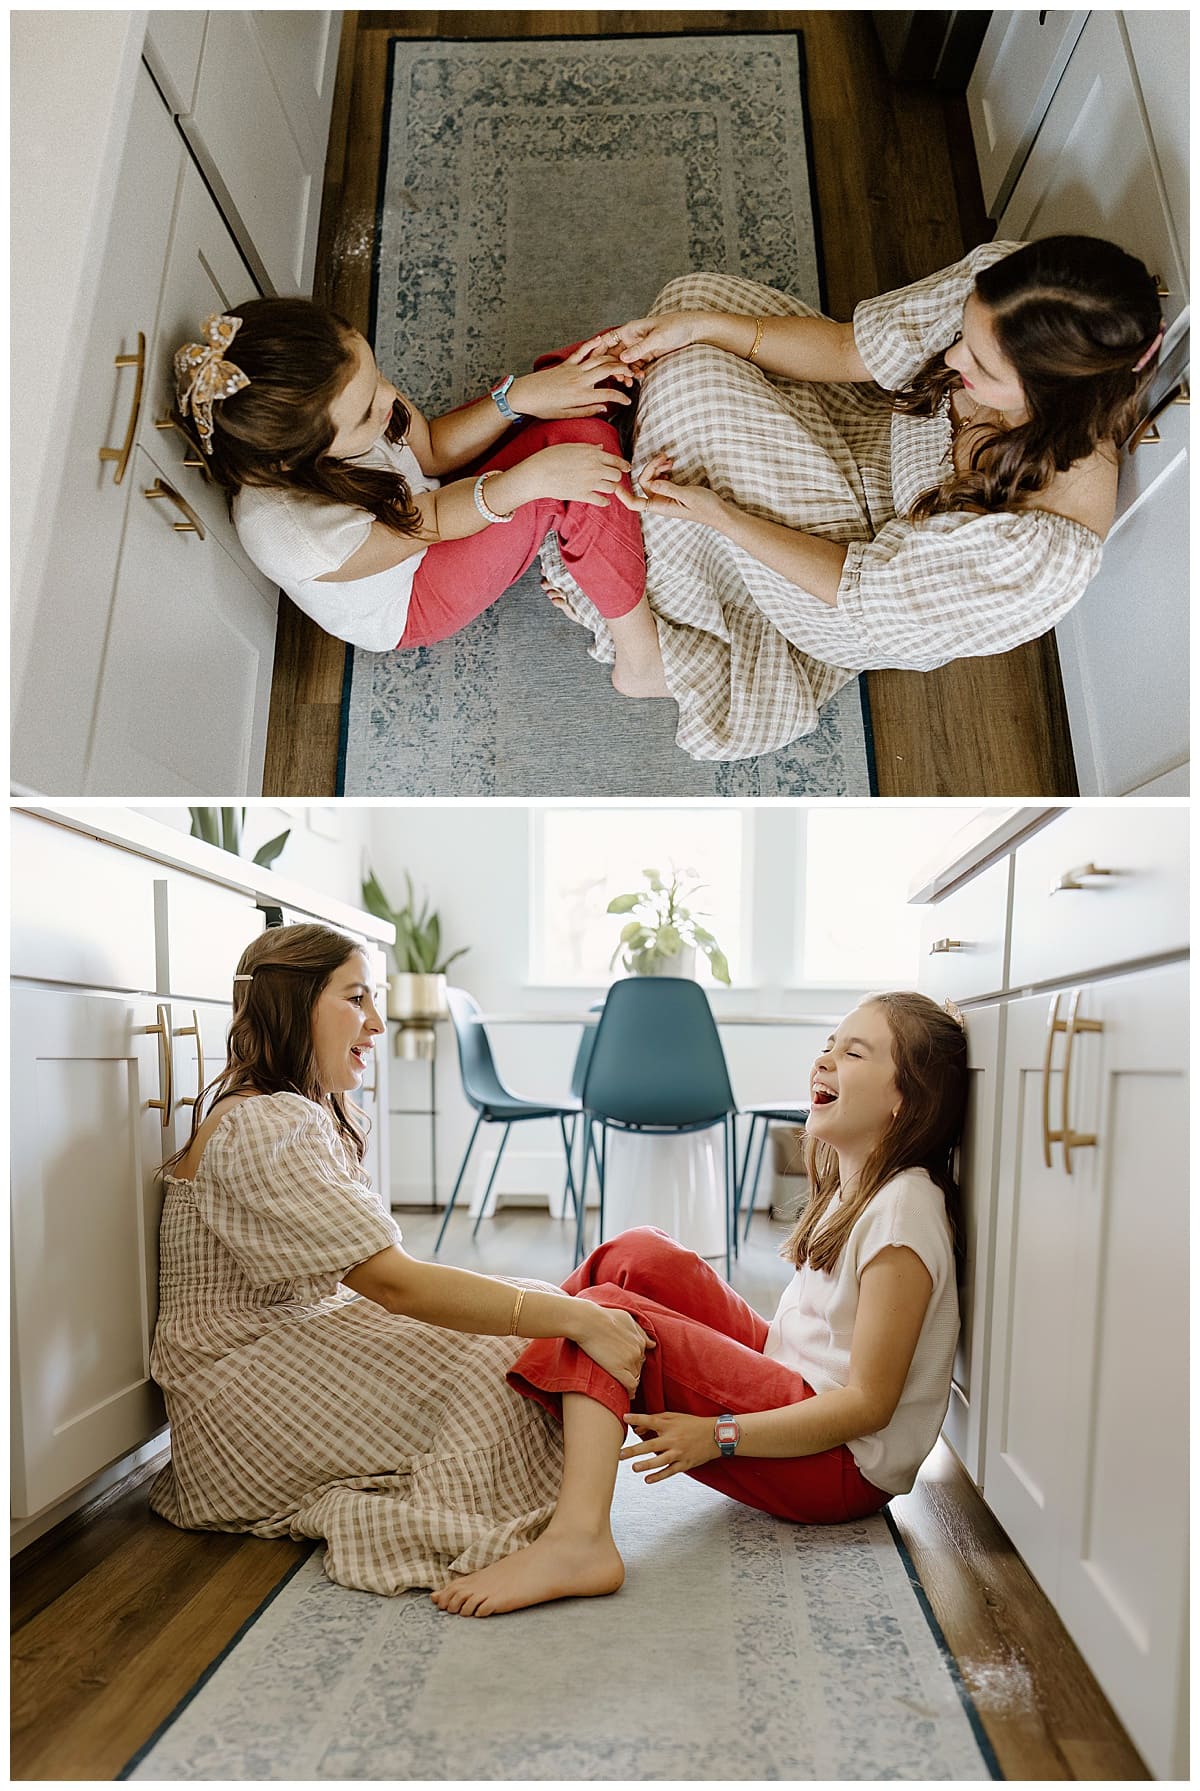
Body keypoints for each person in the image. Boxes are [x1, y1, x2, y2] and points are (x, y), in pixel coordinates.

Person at [148, 923, 655, 1597]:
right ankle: (582, 1536)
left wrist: (565, 1314)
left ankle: (588, 1526)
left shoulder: (292, 1113)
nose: (377, 1023)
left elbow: (384, 1275)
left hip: (278, 1343)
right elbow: (391, 1281)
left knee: (542, 1313)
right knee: (510, 1350)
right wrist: (571, 1318)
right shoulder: (264, 1125)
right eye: (357, 998)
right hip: (236, 1391)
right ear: (293, 1004)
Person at [431, 991, 968, 1618]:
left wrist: (721, 1435)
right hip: (794, 1383)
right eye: (829, 1045)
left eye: (854, 1053)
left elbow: (869, 1406)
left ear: (904, 1102)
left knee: (610, 1318)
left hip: (840, 1466)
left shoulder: (905, 1210)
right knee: (636, 1253)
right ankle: (503, 1403)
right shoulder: (862, 1182)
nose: (825, 1061)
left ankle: (578, 1541)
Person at [543, 236, 1163, 759]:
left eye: (979, 364)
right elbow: (849, 351)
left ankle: (650, 653)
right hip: (876, 435)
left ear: (1050, 396)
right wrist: (702, 327)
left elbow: (854, 586)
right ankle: (670, 430)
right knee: (692, 305)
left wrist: (721, 515)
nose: (950, 356)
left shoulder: (1037, 557)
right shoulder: (1012, 291)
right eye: (963, 335)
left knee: (693, 399)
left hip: (850, 578)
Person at [171, 304, 669, 696]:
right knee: (573, 453)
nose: (389, 401)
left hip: (425, 504)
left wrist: (517, 398)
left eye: (378, 377)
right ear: (299, 457)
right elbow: (427, 522)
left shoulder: (349, 391)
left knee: (582, 368)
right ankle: (640, 661)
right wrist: (525, 480)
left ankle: (645, 411)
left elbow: (430, 452)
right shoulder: (293, 533)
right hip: (413, 589)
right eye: (368, 412)